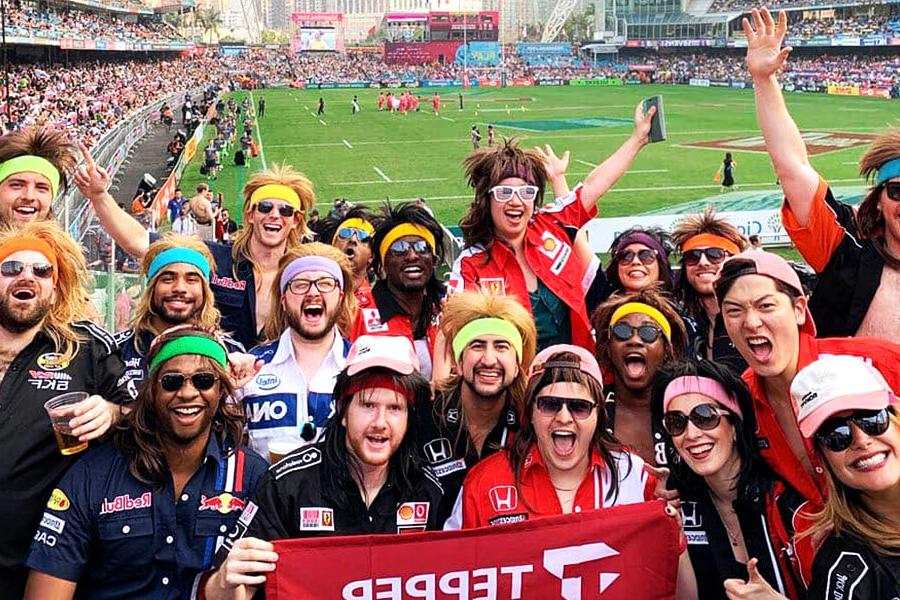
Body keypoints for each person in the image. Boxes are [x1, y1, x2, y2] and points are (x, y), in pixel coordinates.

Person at [23, 328, 267, 600]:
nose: (187, 393)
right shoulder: (93, 474)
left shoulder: (253, 476)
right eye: (171, 382)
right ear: (150, 390)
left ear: (221, 389)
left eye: (204, 380)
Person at [447, 345, 698, 598]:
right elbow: (447, 578)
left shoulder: (633, 476)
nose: (564, 417)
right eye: (549, 404)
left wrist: (673, 534)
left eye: (579, 407)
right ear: (531, 413)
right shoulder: (484, 482)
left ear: (599, 415)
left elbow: (682, 595)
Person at [203, 335, 442, 600]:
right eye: (368, 405)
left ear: (410, 418)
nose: (380, 422)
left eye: (395, 408)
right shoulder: (287, 485)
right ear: (341, 409)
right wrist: (225, 582)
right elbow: (224, 591)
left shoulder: (428, 489)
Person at [744, 7, 900, 342]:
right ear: (879, 199)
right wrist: (764, 80)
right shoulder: (849, 249)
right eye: (898, 192)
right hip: (850, 393)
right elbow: (792, 167)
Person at [451, 104, 655, 352]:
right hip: (516, 383)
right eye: (504, 192)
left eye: (526, 192)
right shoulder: (470, 264)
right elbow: (453, 332)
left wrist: (638, 139)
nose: (516, 201)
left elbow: (593, 185)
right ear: (487, 198)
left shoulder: (552, 225)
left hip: (574, 370)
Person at [0, 221, 134, 599]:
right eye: (11, 268)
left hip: (43, 559)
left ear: (54, 286)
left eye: (41, 271)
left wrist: (111, 412)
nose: (26, 276)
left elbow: (145, 412)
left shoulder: (84, 349)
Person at [715, 249, 900, 505]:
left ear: (799, 309)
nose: (751, 322)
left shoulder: (875, 361)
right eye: (734, 311)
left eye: (766, 305)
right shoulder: (738, 400)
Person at [77, 157, 315, 350]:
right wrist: (99, 196)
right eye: (265, 207)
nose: (274, 215)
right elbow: (139, 242)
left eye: (285, 210)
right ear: (250, 215)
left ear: (295, 220)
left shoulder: (304, 276)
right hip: (214, 386)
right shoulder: (215, 258)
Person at [653, 359, 808, 600]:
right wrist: (676, 545)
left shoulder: (789, 505)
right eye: (677, 423)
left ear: (735, 425)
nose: (691, 434)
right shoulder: (681, 506)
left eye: (705, 416)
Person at [419, 292, 537, 519]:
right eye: (477, 346)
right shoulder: (426, 413)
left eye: (502, 347)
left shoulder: (530, 423)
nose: (489, 359)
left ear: (516, 365)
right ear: (459, 362)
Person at [790, 355, 900, 599]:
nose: (862, 440)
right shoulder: (844, 568)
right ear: (822, 460)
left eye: (872, 418)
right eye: (836, 434)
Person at [239, 243, 357, 458]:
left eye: (325, 283)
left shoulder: (361, 366)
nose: (313, 292)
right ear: (284, 300)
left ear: (340, 297)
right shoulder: (251, 368)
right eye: (300, 284)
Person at [114, 234, 245, 391]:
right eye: (168, 279)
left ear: (205, 291)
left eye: (192, 280)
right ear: (152, 288)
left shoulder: (230, 353)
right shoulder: (116, 351)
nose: (179, 288)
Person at [592, 289, 688, 467]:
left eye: (648, 333)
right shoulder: (589, 410)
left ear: (666, 350)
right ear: (608, 347)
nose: (635, 341)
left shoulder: (687, 409)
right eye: (622, 331)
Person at [351, 202, 445, 380]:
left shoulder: (446, 311)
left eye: (422, 247)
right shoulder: (356, 313)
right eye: (398, 249)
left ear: (433, 259)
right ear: (382, 264)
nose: (412, 256)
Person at [672, 207, 749, 373]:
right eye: (693, 256)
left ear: (734, 260)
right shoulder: (680, 322)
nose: (703, 262)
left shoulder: (755, 317)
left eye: (715, 254)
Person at [0, 125, 77, 227]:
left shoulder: (59, 243)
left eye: (41, 188)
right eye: (17, 185)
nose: (29, 196)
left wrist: (99, 196)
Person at [605, 226, 675, 298]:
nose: (635, 261)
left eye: (646, 255)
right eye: (625, 256)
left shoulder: (678, 307)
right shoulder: (600, 305)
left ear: (660, 266)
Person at [324, 207, 375, 300]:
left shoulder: (379, 306)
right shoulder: (316, 297)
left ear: (372, 256)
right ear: (332, 245)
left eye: (363, 237)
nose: (353, 239)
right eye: (345, 233)